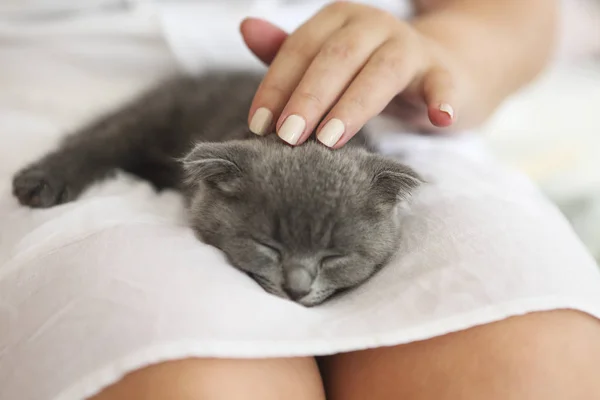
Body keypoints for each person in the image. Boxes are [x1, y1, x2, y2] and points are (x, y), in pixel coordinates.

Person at [90, 1, 600, 400]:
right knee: (195, 373)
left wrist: (445, 58)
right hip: (86, 91)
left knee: (528, 358)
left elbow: (511, 14)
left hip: (387, 119)